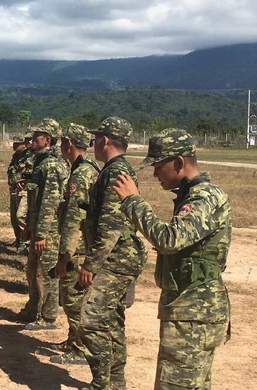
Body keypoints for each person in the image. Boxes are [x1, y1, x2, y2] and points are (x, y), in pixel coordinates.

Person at [112, 128, 231, 390]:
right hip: (191, 308)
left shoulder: (205, 197)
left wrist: (133, 201)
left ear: (178, 162)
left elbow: (169, 240)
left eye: (158, 166)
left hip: (194, 311)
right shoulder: (193, 196)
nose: (155, 174)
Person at [77, 116, 148, 390]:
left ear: (104, 140)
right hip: (121, 257)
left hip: (115, 259)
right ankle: (115, 383)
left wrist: (91, 265)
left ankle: (102, 384)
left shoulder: (115, 172)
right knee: (113, 321)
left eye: (96, 139)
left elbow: (111, 225)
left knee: (92, 321)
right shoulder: (116, 170)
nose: (93, 143)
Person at [50, 123, 100, 365]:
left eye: (62, 143)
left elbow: (73, 218)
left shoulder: (80, 175)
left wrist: (65, 256)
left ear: (68, 144)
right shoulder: (88, 169)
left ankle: (80, 349)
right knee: (73, 297)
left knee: (73, 298)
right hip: (83, 245)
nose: (60, 147)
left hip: (78, 248)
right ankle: (74, 339)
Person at [18, 119, 69, 330]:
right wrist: (30, 225)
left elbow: (50, 202)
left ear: (47, 140)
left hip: (48, 230)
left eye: (36, 136)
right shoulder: (41, 162)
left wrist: (41, 234)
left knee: (46, 273)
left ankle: (47, 317)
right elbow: (36, 201)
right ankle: (33, 308)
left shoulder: (52, 165)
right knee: (32, 270)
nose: (32, 140)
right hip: (38, 226)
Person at [7, 135, 30, 253]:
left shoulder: (28, 157)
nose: (15, 145)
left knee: (20, 215)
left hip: (23, 191)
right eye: (14, 143)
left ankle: (25, 241)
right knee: (13, 218)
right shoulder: (15, 157)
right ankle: (18, 239)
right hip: (13, 190)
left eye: (17, 143)